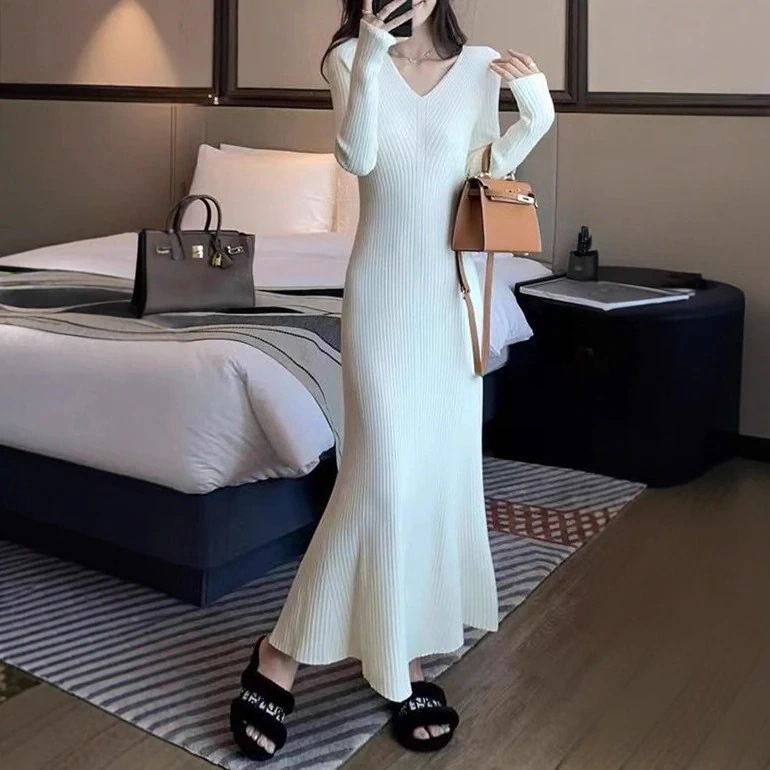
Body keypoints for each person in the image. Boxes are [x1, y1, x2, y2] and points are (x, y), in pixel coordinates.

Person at [229, 0, 555, 760]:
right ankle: (282, 651)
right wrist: (371, 58)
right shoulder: (350, 59)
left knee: (432, 479)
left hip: (449, 296)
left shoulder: (482, 68)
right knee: (379, 480)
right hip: (380, 298)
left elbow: (482, 176)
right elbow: (358, 159)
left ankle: (402, 657)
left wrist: (533, 116)